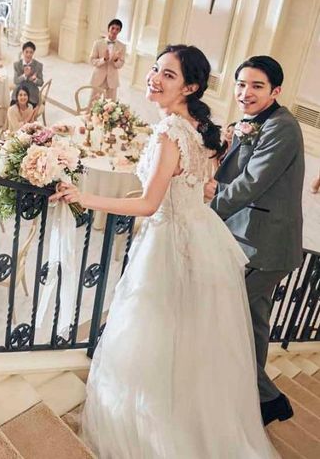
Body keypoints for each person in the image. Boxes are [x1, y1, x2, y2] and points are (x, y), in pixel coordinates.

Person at [53, 44, 278, 458]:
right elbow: (200, 185)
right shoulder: (196, 126)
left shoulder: (170, 133)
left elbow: (148, 205)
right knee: (186, 336)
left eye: (168, 75)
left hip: (168, 240)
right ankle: (189, 422)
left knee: (153, 330)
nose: (154, 78)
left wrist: (85, 197)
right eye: (156, 69)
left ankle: (151, 429)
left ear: (190, 87)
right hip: (200, 235)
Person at [206, 56, 304, 426]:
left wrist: (208, 210)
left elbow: (251, 183)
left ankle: (267, 398)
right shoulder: (254, 121)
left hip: (264, 247)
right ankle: (262, 400)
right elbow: (235, 172)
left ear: (276, 91)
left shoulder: (283, 127)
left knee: (220, 311)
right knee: (254, 325)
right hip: (253, 241)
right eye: (241, 84)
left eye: (257, 86)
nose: (245, 92)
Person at [89, 18, 126, 106]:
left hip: (112, 80)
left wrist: (115, 60)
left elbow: (121, 64)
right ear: (108, 28)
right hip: (98, 78)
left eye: (117, 29)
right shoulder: (98, 43)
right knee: (92, 104)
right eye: (113, 28)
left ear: (120, 31)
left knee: (110, 106)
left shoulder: (122, 46)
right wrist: (104, 59)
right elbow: (92, 61)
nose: (114, 31)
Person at [11, 41, 43, 107]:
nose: (28, 54)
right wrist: (24, 75)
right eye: (26, 52)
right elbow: (15, 81)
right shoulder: (17, 64)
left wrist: (35, 79)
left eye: (31, 52)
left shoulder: (38, 65)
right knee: (12, 109)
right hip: (19, 93)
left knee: (29, 110)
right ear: (23, 52)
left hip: (32, 95)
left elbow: (41, 83)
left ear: (33, 53)